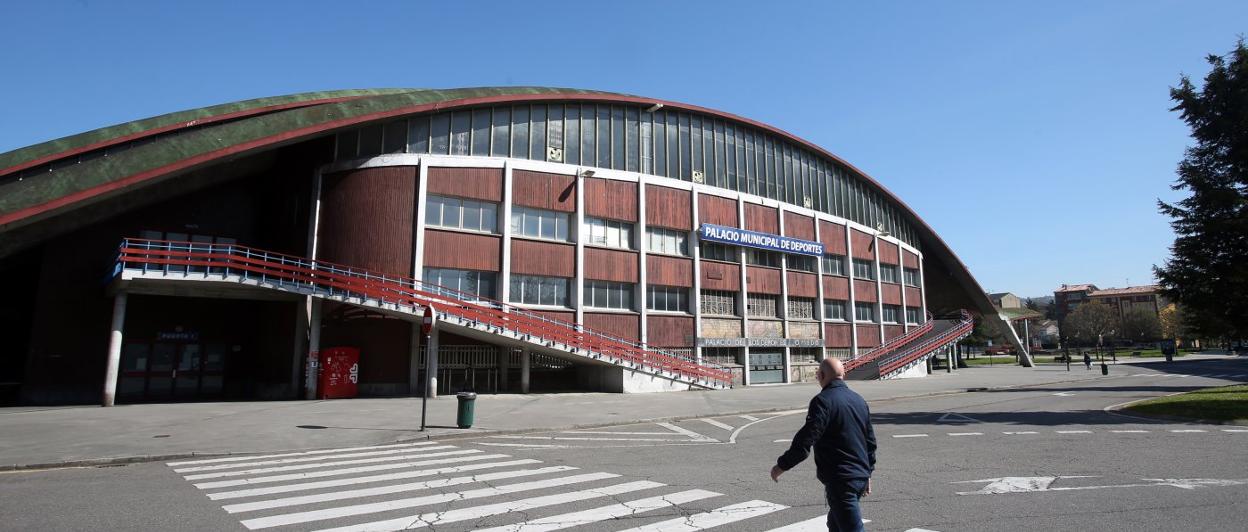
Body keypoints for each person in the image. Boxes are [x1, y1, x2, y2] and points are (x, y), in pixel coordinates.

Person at [771, 357, 876, 531]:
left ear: (821, 375)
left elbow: (806, 440)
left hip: (841, 480)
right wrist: (868, 473)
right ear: (843, 375)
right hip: (858, 476)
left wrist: (781, 466)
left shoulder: (823, 401)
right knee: (835, 524)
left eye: (818, 374)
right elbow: (870, 442)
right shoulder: (859, 400)